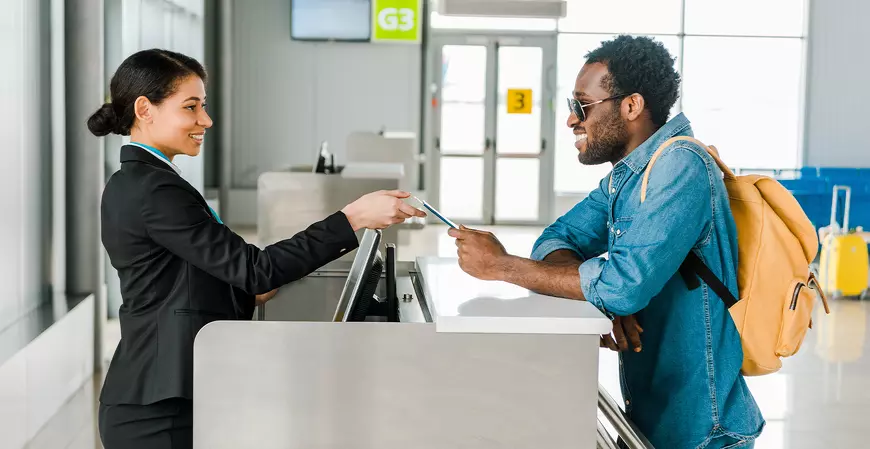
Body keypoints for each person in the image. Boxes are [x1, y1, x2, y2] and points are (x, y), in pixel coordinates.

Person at [90, 49, 426, 449]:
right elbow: (256, 269)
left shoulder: (150, 182)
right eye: (191, 107)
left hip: (166, 394)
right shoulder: (155, 189)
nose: (206, 121)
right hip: (156, 409)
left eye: (205, 105)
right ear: (145, 109)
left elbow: (190, 274)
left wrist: (241, 289)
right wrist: (353, 217)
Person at [449, 36, 764, 449]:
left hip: (702, 432)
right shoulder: (626, 177)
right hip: (653, 421)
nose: (571, 121)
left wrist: (503, 266)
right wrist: (599, 300)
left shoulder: (680, 165)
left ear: (631, 106)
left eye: (582, 106)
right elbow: (557, 238)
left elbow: (623, 286)